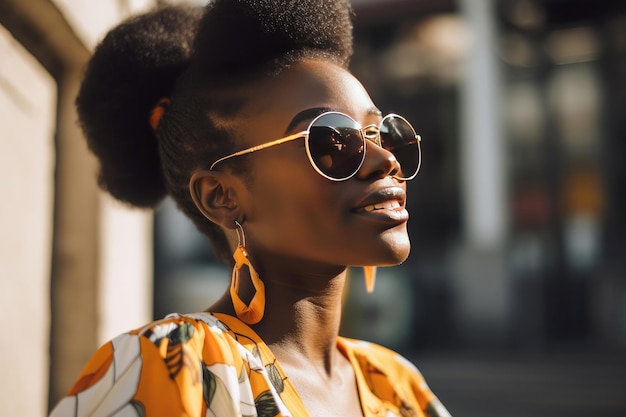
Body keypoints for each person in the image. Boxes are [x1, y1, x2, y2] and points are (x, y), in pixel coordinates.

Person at [50, 1, 451, 416]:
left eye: (380, 133)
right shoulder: (176, 367)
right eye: (334, 140)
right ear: (222, 196)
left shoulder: (398, 385)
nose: (386, 160)